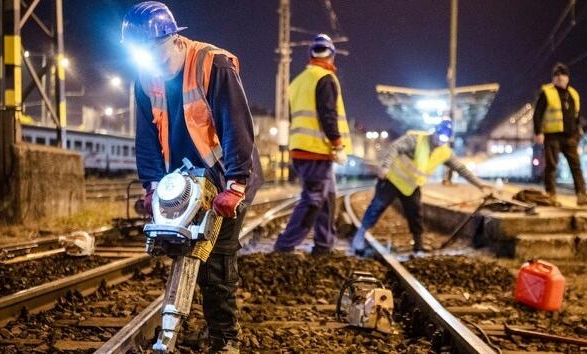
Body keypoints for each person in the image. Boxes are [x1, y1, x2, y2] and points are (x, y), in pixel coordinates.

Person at [121, 2, 262, 353]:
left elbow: (236, 127)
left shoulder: (213, 65)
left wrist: (235, 185)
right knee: (184, 247)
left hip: (226, 172)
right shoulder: (145, 78)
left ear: (172, 39)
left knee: (219, 257)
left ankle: (224, 337)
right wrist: (152, 185)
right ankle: (193, 323)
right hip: (183, 179)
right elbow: (146, 137)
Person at [351, 119, 490, 255]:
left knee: (416, 216)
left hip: (411, 187)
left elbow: (461, 168)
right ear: (434, 132)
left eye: (444, 140)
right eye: (439, 137)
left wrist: (479, 184)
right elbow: (395, 147)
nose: (440, 141)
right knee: (376, 208)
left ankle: (418, 247)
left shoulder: (444, 152)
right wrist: (385, 166)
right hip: (391, 181)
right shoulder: (416, 140)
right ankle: (360, 236)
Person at [273, 34, 352, 255]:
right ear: (332, 55)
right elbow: (328, 115)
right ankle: (285, 246)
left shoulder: (298, 81)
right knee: (314, 200)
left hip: (301, 148)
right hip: (316, 150)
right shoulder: (325, 78)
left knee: (327, 198)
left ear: (311, 54)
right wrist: (337, 144)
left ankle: (324, 246)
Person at [533, 62, 587, 206]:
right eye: (557, 75)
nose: (560, 77)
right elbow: (538, 114)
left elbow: (576, 114)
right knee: (551, 166)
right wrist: (538, 132)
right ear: (553, 78)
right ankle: (551, 195)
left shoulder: (573, 94)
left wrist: (579, 129)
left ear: (568, 77)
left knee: (576, 166)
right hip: (552, 136)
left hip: (570, 136)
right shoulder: (547, 92)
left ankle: (581, 195)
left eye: (563, 75)